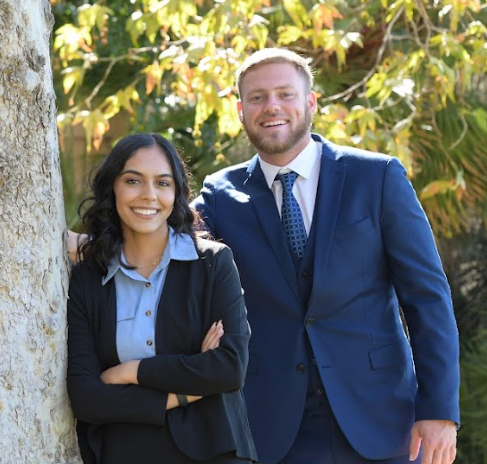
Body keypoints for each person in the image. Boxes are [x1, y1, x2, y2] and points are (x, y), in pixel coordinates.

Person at [190, 48, 460, 464]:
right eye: (258, 98)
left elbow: (428, 298)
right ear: (241, 111)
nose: (272, 106)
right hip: (270, 425)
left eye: (285, 94)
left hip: (382, 419)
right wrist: (90, 243)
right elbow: (160, 236)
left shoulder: (377, 176)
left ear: (311, 102)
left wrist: (439, 410)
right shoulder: (220, 195)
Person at [66, 133, 257, 464]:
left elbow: (228, 369)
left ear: (177, 193)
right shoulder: (88, 278)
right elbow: (86, 397)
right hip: (123, 452)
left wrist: (130, 372)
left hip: (214, 451)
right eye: (133, 180)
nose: (149, 195)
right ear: (113, 187)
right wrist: (187, 390)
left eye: (163, 183)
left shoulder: (212, 264)